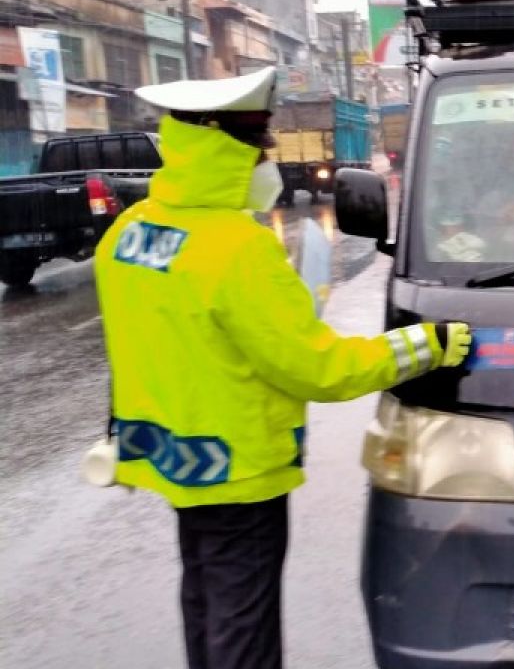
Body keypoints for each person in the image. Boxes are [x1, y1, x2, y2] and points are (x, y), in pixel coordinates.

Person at [92, 67, 472, 669]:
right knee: (243, 621)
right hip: (240, 470)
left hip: (173, 459)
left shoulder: (127, 234)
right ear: (226, 147)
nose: (267, 160)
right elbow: (320, 369)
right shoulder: (236, 249)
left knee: (206, 599)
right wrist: (427, 344)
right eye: (261, 144)